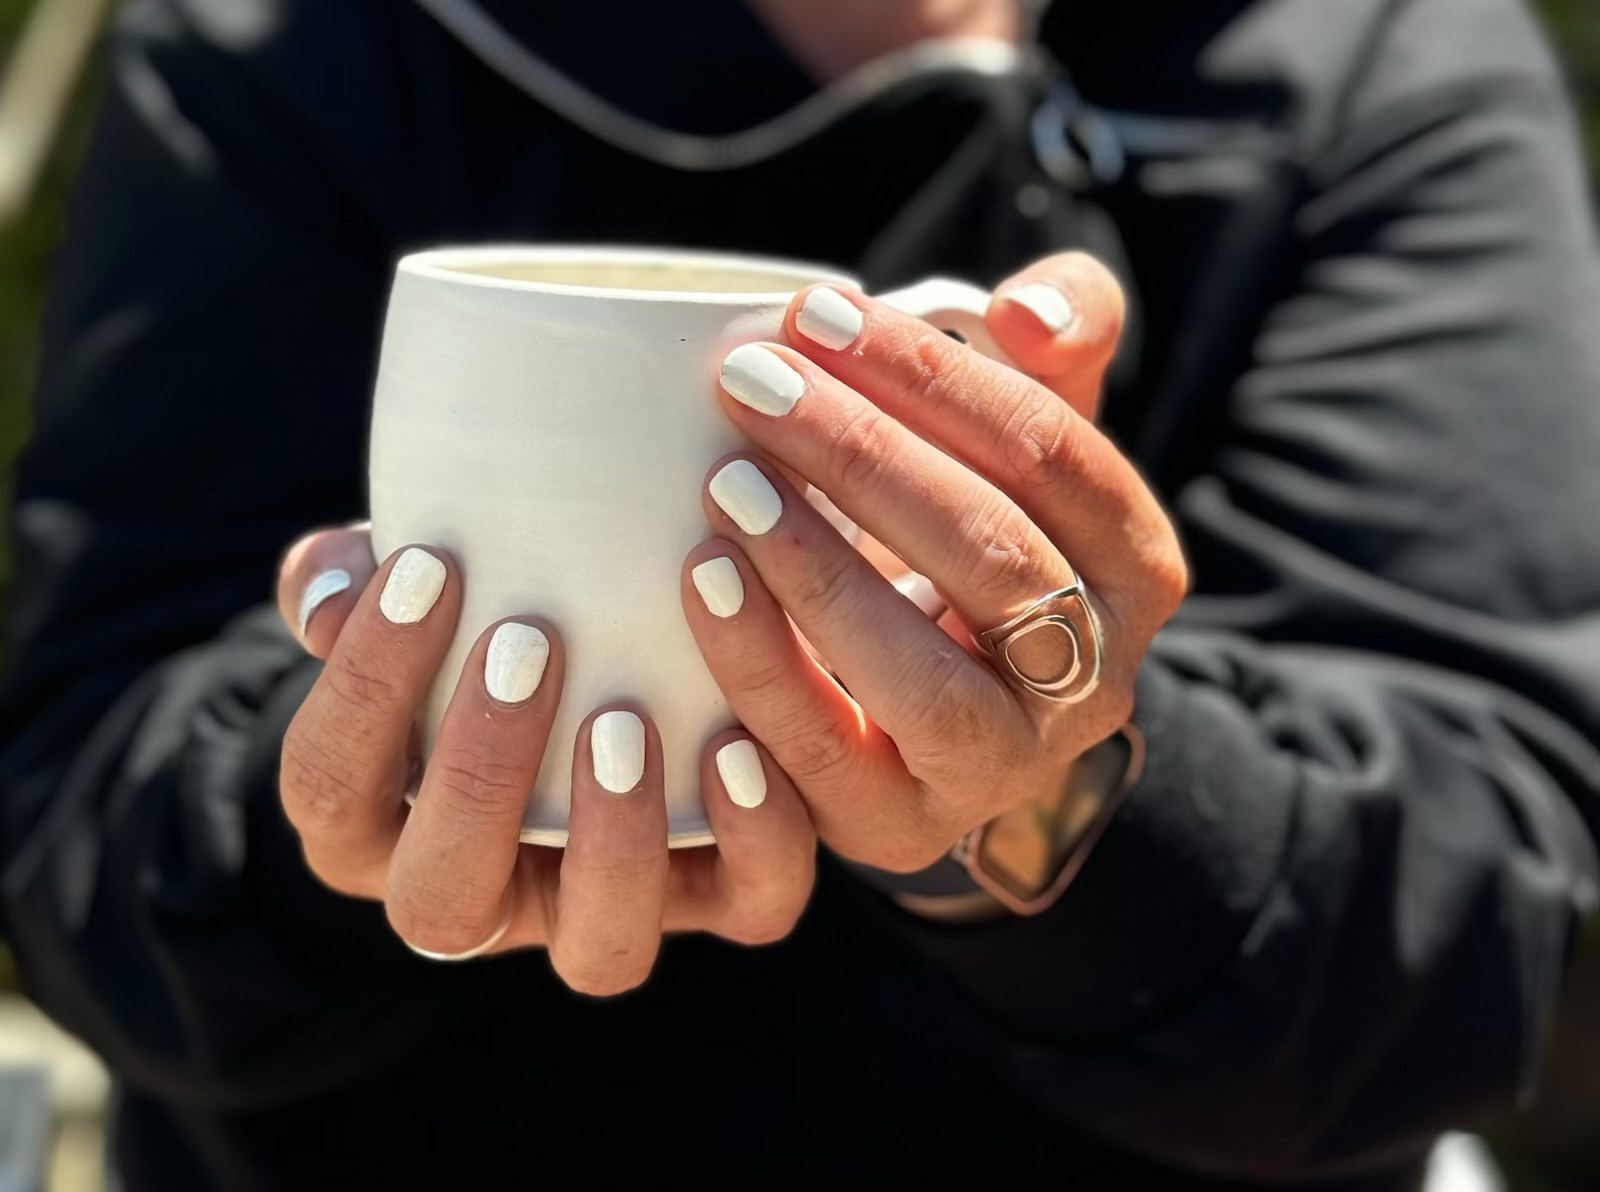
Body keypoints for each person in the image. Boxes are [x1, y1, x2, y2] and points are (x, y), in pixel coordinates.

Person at [2, 0, 1598, 1187]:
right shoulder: (298, 46)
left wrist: (1048, 801)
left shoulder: (1371, 64)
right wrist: (338, 785)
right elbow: (74, 817)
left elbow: (1472, 941)